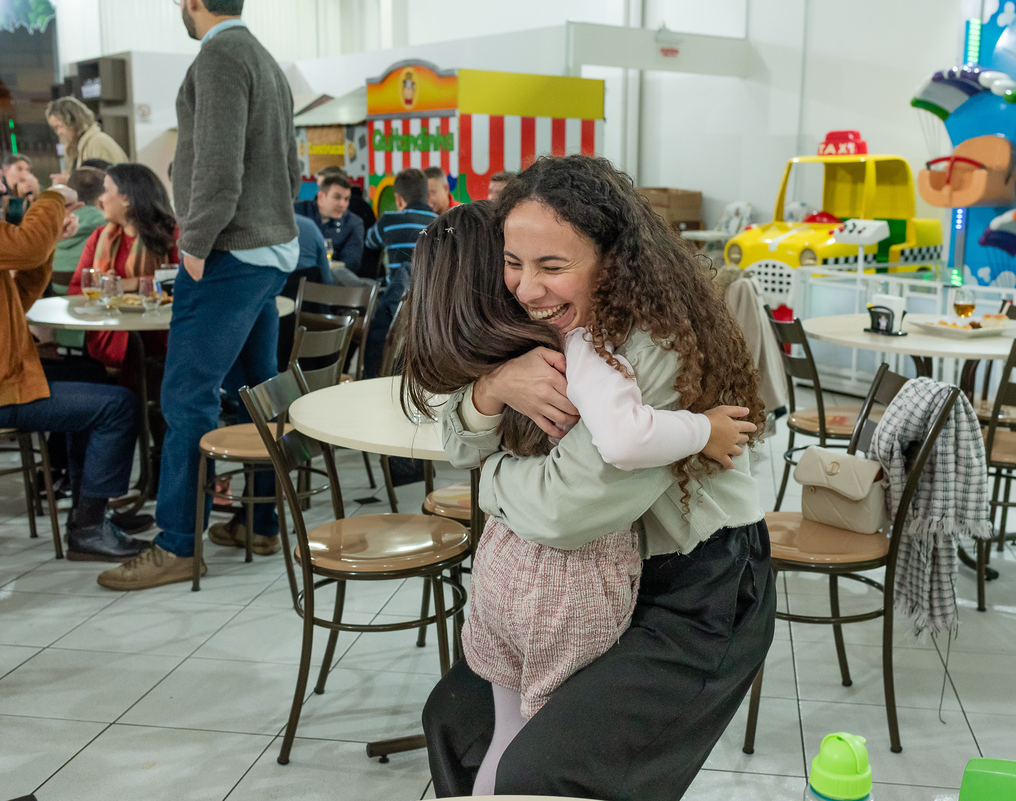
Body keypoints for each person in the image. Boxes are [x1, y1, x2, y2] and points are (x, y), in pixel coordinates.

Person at [421, 156, 775, 800]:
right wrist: (493, 387)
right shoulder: (562, 323)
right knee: (454, 721)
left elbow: (564, 510)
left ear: (614, 261)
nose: (526, 289)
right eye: (512, 262)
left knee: (541, 773)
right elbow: (453, 436)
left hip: (697, 590)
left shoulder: (652, 348)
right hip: (597, 577)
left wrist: (491, 481)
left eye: (552, 267)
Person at [97, 0, 301, 591]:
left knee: (187, 395)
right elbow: (289, 167)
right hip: (268, 248)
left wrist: (196, 243)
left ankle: (178, 544)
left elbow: (216, 164)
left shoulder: (220, 56)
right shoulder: (262, 57)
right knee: (255, 391)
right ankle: (261, 523)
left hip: (230, 251)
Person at [0, 141, 147, 562]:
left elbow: (18, 295)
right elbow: (26, 246)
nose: (0, 187)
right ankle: (88, 529)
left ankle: (92, 510)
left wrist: (48, 242)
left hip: (2, 377)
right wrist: (55, 197)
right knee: (120, 405)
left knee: (91, 375)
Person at [67, 164, 180, 369]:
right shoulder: (100, 237)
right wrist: (104, 290)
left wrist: (130, 284)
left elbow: (184, 283)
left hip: (162, 341)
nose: (100, 199)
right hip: (108, 340)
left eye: (106, 190)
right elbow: (76, 288)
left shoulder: (172, 235)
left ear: (126, 198)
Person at [362, 167, 435, 378]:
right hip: (425, 303)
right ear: (427, 195)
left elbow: (370, 241)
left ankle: (373, 375)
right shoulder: (438, 222)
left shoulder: (389, 220)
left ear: (398, 198)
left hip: (392, 303)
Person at [293, 172, 363, 275]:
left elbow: (351, 264)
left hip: (333, 283)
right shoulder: (297, 212)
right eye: (337, 197)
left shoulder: (353, 223)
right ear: (321, 197)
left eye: (346, 199)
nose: (342, 204)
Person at [46, 96, 128, 184]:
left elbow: (103, 185)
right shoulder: (76, 148)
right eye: (55, 128)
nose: (59, 132)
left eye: (60, 126)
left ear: (75, 121)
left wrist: (68, 181)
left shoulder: (98, 142)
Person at [52, 166, 107, 285]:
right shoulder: (107, 221)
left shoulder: (54, 218)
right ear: (102, 194)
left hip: (53, 286)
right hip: (90, 287)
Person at [0, 154, 39, 225]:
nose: (25, 174)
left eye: (27, 170)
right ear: (5, 170)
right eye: (19, 169)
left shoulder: (30, 190)